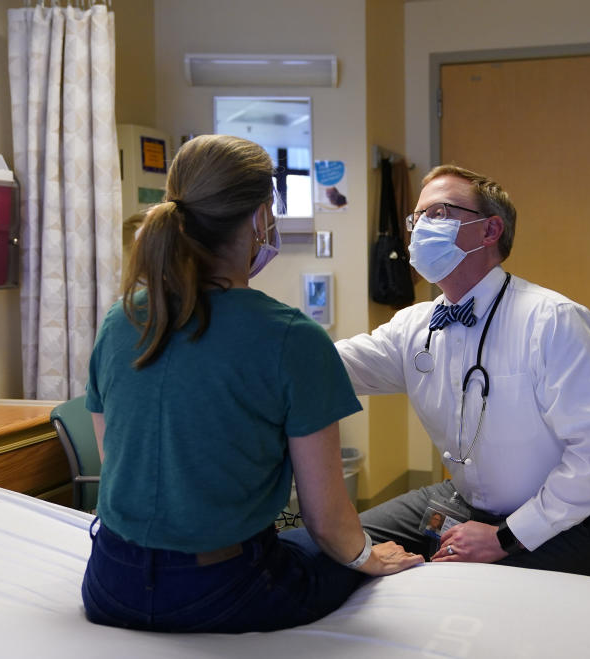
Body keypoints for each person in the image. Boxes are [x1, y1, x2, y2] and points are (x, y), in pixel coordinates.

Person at [81, 135, 422, 634]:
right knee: (352, 544)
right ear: (262, 216)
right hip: (222, 591)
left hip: (110, 583)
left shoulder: (123, 318)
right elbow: (327, 521)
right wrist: (368, 558)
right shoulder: (291, 338)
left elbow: (116, 461)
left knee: (296, 537)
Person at [336, 164, 590, 576]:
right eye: (416, 218)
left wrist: (506, 537)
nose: (420, 229)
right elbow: (331, 367)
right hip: (465, 503)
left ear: (490, 231)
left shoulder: (552, 320)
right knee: (343, 547)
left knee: (466, 590)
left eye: (437, 214)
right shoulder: (415, 326)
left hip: (572, 518)